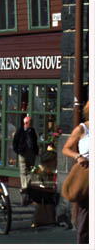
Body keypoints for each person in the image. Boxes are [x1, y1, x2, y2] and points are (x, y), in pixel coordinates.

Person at [62, 100, 89, 245]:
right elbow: (66, 148)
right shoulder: (82, 129)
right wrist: (78, 156)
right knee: (85, 214)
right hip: (86, 174)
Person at [12, 114, 39, 200]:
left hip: (31, 153)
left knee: (31, 170)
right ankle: (25, 188)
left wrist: (36, 151)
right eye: (26, 123)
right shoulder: (20, 130)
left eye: (29, 123)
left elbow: (35, 142)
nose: (27, 124)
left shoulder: (32, 131)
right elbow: (15, 141)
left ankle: (26, 186)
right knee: (23, 171)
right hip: (23, 153)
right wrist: (18, 150)